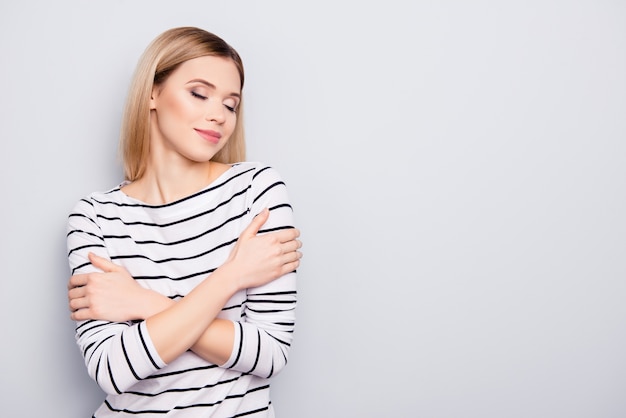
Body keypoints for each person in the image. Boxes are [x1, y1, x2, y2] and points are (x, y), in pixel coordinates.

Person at [65, 26, 302, 417]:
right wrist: (231, 276)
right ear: (153, 93)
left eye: (231, 104)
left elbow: (269, 354)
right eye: (199, 93)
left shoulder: (255, 191)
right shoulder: (94, 217)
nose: (219, 115)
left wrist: (141, 303)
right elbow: (112, 368)